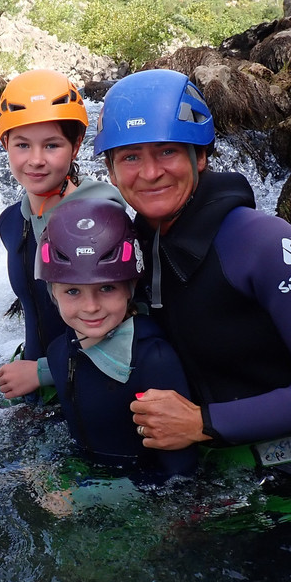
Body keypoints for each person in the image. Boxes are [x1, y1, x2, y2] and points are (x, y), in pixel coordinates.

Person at [92, 69, 291, 489]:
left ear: (200, 157)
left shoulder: (265, 244)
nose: (149, 173)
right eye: (130, 157)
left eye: (167, 151)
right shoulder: (136, 245)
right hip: (211, 479)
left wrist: (203, 422)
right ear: (111, 171)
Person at [34, 197, 197, 505]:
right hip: (88, 477)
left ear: (130, 286)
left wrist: (87, 496)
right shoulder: (60, 351)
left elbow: (181, 475)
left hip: (142, 500)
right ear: (53, 293)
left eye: (107, 288)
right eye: (72, 291)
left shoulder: (153, 360)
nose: (91, 307)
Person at [0, 69, 125, 402]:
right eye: (22, 145)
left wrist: (42, 372)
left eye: (52, 145)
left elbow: (126, 325)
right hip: (36, 386)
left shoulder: (101, 216)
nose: (36, 160)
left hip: (91, 387)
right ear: (6, 144)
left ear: (76, 146)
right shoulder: (11, 221)